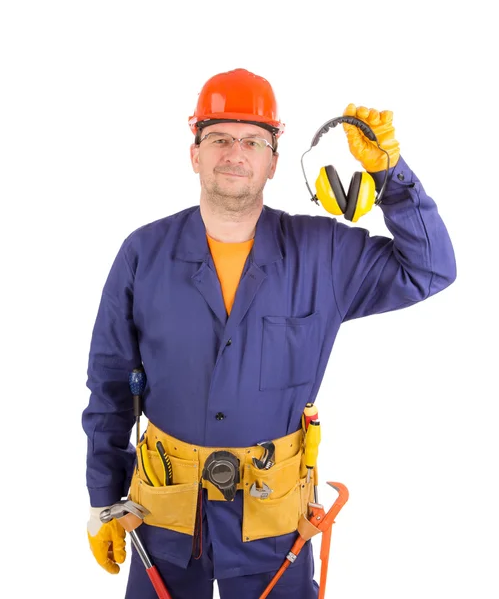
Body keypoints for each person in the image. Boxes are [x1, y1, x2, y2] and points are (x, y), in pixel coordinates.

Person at [82, 67, 456, 599]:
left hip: (274, 528)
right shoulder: (143, 254)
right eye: (219, 138)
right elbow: (111, 385)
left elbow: (431, 268)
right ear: (194, 153)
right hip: (161, 520)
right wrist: (102, 498)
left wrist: (391, 175)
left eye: (253, 140)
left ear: (274, 161)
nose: (235, 152)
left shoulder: (324, 254)